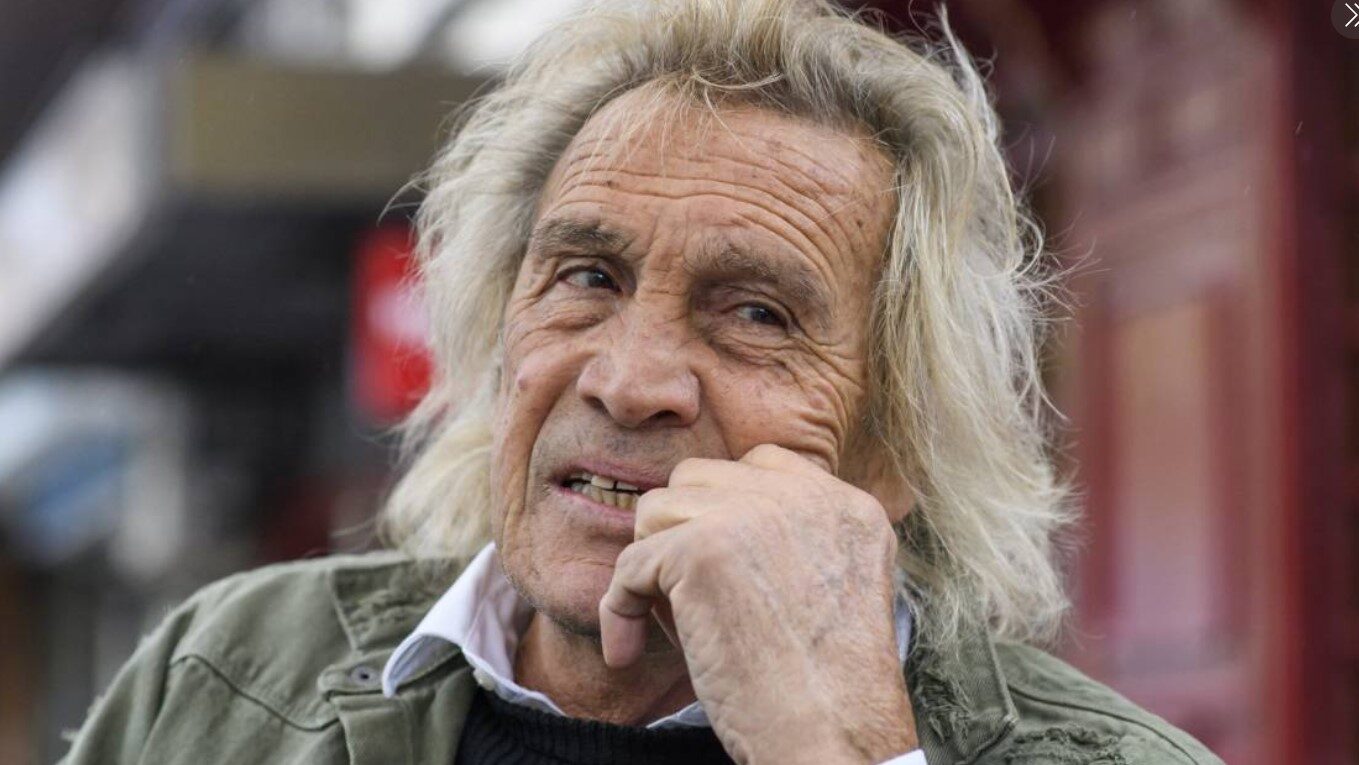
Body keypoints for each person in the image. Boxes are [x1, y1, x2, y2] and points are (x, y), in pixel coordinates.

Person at [60, 1, 1224, 763]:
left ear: (897, 444)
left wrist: (834, 745)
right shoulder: (229, 672)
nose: (628, 384)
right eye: (587, 277)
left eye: (757, 314)